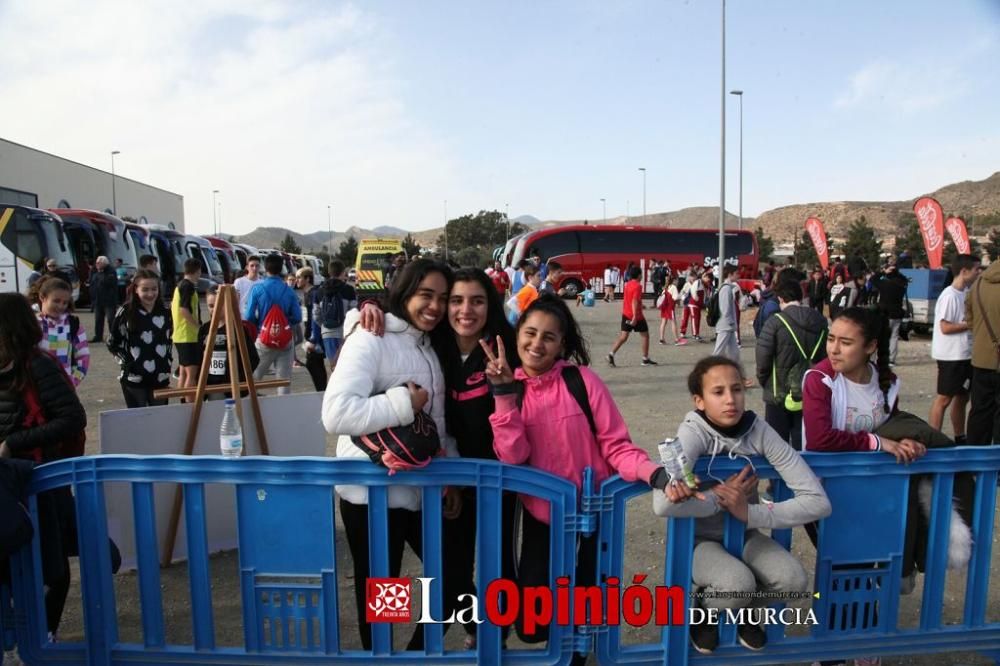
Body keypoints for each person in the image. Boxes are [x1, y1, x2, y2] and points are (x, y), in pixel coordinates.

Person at [481, 294, 662, 665]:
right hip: (542, 518)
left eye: (549, 336)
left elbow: (616, 445)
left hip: (596, 515)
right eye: (530, 333)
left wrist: (652, 472)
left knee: (585, 603)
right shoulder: (510, 389)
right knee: (533, 623)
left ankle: (575, 658)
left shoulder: (582, 381)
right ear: (517, 337)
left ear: (562, 343)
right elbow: (513, 456)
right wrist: (502, 395)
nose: (537, 343)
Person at [321, 259, 460, 651]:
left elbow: (437, 422)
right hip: (372, 494)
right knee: (386, 597)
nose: (435, 306)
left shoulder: (429, 344)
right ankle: (381, 659)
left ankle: (413, 657)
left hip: (419, 490)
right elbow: (336, 413)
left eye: (443, 299)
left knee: (452, 578)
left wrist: (447, 476)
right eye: (426, 295)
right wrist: (404, 402)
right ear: (405, 291)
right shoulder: (370, 336)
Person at [653, 356, 831, 654]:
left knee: (793, 580)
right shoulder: (693, 432)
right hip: (700, 541)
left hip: (746, 533)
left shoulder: (757, 429)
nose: (730, 400)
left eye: (736, 389)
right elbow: (662, 504)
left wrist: (749, 512)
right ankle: (705, 611)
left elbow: (818, 502)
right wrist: (718, 500)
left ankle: (738, 610)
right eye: (718, 392)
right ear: (699, 400)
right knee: (738, 582)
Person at [0, 293, 89, 641]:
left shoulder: (40, 366)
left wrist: (13, 443)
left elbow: (72, 418)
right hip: (7, 487)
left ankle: (44, 634)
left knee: (51, 565)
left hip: (41, 481)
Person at [755, 276, 828, 450]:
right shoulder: (821, 322)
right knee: (804, 441)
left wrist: (764, 381)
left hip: (778, 391)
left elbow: (763, 358)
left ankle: (779, 478)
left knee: (777, 447)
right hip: (810, 390)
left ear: (780, 298)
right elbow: (825, 357)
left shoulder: (775, 322)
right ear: (801, 296)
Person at [929, 255, 980, 442]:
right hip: (951, 356)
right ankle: (933, 438)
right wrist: (971, 324)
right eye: (976, 269)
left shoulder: (966, 293)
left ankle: (960, 436)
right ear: (964, 271)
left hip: (965, 354)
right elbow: (945, 327)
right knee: (944, 398)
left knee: (962, 397)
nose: (979, 272)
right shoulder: (949, 295)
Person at [108, 269, 174, 408]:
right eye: (145, 289)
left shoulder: (165, 311)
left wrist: (168, 361)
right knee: (138, 421)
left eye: (154, 289)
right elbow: (112, 342)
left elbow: (168, 339)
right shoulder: (126, 312)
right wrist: (128, 363)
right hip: (134, 379)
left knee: (160, 420)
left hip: (160, 377)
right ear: (136, 290)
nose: (150, 294)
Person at [245, 253, 302, 396]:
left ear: (265, 267)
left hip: (264, 339)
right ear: (282, 268)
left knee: (253, 379)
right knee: (284, 382)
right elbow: (297, 316)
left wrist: (261, 325)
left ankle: (254, 412)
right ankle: (282, 414)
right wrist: (284, 322)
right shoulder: (289, 290)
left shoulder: (258, 289)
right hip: (285, 341)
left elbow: (248, 316)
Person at [197, 285, 260, 400]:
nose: (214, 309)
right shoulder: (205, 329)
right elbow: (197, 359)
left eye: (219, 305)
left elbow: (253, 358)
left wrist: (238, 379)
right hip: (212, 386)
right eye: (211, 306)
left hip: (233, 387)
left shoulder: (238, 329)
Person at [965, 251, 1000, 445]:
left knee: (979, 411)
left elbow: (969, 320)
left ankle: (974, 462)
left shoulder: (978, 284)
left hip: (981, 359)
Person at [36, 278, 89, 387]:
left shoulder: (73, 325)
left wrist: (73, 380)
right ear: (42, 297)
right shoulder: (31, 324)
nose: (60, 306)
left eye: (65, 303)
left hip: (64, 388)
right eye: (56, 301)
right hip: (36, 387)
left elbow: (83, 357)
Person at [608, 266, 657, 367]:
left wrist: (641, 304)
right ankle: (645, 359)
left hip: (626, 314)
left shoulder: (627, 284)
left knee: (623, 337)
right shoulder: (638, 286)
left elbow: (631, 299)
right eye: (641, 274)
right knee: (645, 335)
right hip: (636, 316)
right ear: (639, 275)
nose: (642, 276)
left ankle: (611, 354)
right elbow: (634, 301)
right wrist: (635, 316)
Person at [171, 258, 203, 391]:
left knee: (184, 373)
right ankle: (190, 405)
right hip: (188, 335)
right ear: (197, 270)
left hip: (181, 335)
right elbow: (183, 309)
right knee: (192, 375)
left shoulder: (180, 285)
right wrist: (197, 326)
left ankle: (183, 402)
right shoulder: (187, 286)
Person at [875, 263, 908, 366]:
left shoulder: (884, 284)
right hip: (897, 314)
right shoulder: (902, 286)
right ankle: (891, 359)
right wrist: (897, 272)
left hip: (885, 313)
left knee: (883, 336)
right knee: (894, 337)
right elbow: (905, 279)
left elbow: (873, 279)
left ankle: (881, 357)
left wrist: (883, 272)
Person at [712, 266, 740, 362]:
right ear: (730, 274)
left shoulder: (727, 288)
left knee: (734, 352)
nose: (738, 275)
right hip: (725, 325)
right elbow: (725, 309)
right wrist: (731, 322)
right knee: (719, 351)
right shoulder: (726, 289)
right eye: (736, 273)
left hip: (728, 325)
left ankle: (736, 371)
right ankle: (709, 370)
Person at [89, 255, 118, 343]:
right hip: (98, 300)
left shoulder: (111, 271)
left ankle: (113, 336)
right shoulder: (94, 271)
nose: (96, 264)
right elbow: (92, 283)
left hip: (109, 300)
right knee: (98, 319)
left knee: (111, 319)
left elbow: (107, 282)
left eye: (99, 263)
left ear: (104, 263)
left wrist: (100, 273)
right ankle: (98, 336)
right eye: (96, 263)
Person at [657, 278, 684, 346]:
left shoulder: (666, 287)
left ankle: (661, 339)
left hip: (664, 308)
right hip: (670, 308)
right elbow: (675, 298)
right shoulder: (673, 287)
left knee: (663, 322)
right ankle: (676, 340)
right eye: (676, 280)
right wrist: (681, 297)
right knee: (673, 322)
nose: (677, 281)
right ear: (674, 280)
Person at [679, 272, 705, 341]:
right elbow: (682, 292)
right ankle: (682, 332)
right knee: (685, 318)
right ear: (689, 277)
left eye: (694, 277)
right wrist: (683, 298)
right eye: (692, 277)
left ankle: (695, 332)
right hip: (687, 304)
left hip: (693, 303)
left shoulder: (697, 283)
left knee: (694, 318)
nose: (693, 278)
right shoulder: (687, 284)